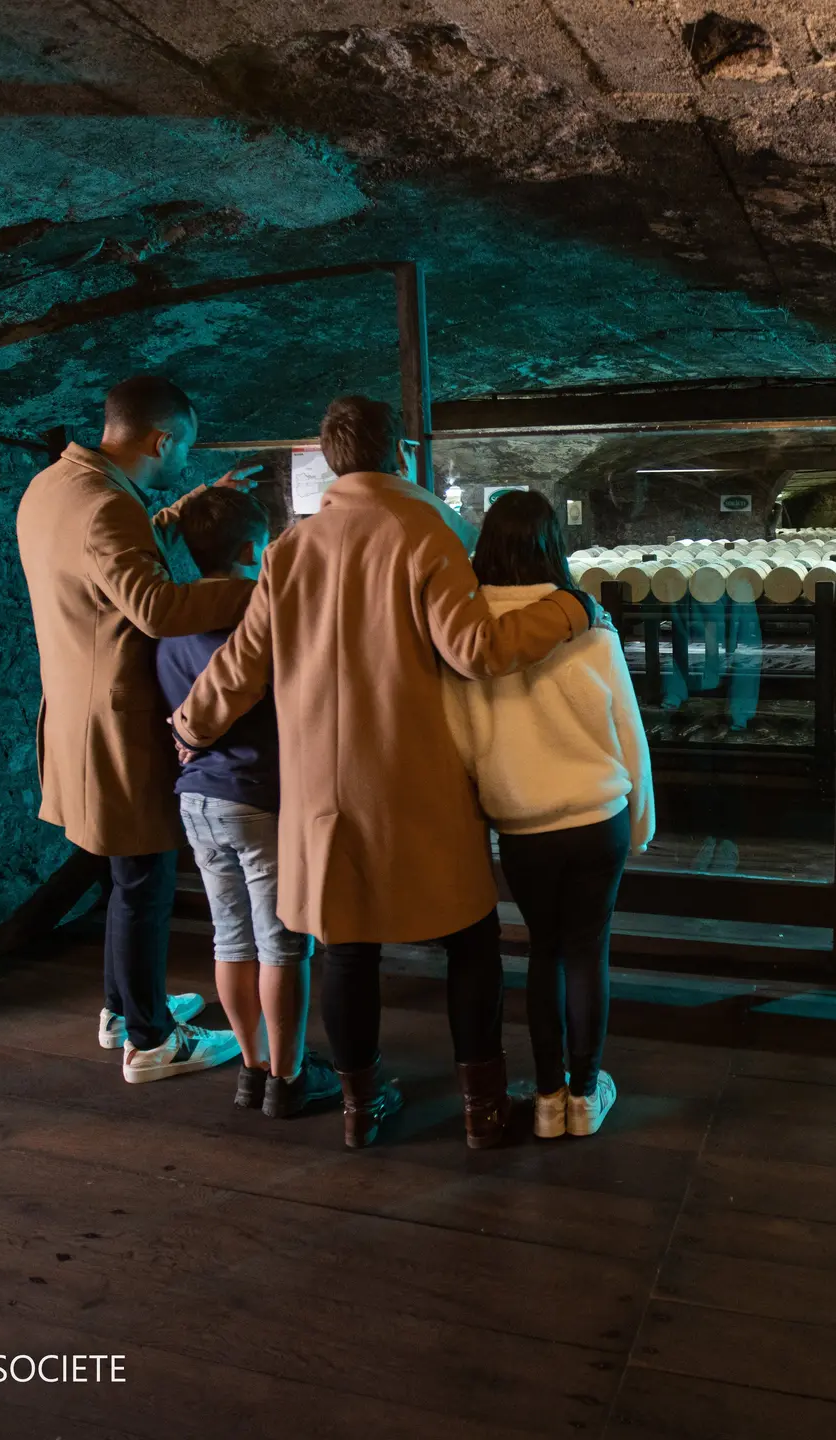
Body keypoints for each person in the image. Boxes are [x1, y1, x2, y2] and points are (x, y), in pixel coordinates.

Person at [170, 396, 599, 1150]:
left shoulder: (291, 550)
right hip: (417, 785)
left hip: (324, 796)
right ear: (399, 454)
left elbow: (242, 665)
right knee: (470, 942)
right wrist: (570, 612)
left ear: (333, 461)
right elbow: (476, 650)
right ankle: (484, 1109)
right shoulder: (422, 530)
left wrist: (189, 726)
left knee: (346, 946)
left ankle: (358, 1111)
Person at [17, 374, 256, 1082]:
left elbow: (108, 559)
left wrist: (181, 509)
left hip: (73, 714)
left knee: (126, 877)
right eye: (183, 452)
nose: (184, 459)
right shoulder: (104, 509)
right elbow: (152, 606)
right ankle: (151, 1040)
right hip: (116, 725)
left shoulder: (54, 487)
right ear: (163, 440)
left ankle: (124, 1008)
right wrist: (270, 587)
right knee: (144, 879)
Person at [443, 491, 655, 1139]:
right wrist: (640, 819)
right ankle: (586, 1097)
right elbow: (627, 728)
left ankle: (545, 1098)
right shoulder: (583, 619)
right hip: (597, 816)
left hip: (525, 824)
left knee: (544, 954)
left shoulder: (467, 636)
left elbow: (462, 745)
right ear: (552, 544)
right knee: (588, 952)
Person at [154, 488, 339, 1118]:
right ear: (250, 548)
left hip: (197, 799)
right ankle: (288, 1078)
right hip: (259, 798)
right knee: (281, 943)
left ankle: (251, 1067)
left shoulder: (171, 622)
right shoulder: (258, 615)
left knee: (229, 939)